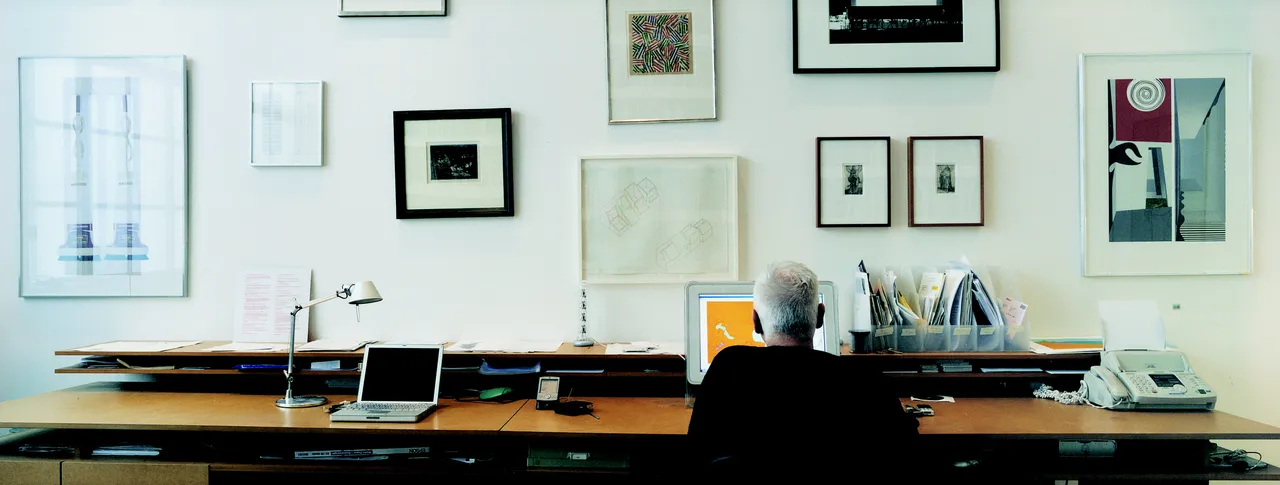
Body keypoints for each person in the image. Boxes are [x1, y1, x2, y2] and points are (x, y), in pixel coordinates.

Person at [687, 261, 918, 476]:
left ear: (755, 321)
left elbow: (696, 452)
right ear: (820, 316)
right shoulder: (863, 379)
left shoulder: (728, 368)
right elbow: (905, 450)